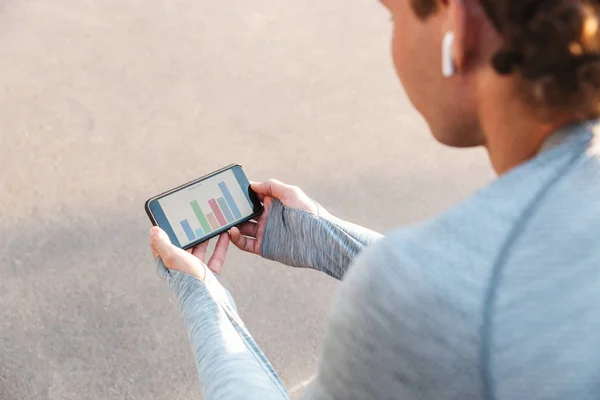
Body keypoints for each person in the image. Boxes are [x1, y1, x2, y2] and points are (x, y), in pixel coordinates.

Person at [149, 0, 600, 398]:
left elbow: (456, 304)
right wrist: (325, 239)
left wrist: (205, 301)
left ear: (458, 25)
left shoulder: (414, 290)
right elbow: (490, 304)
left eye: (393, 16)